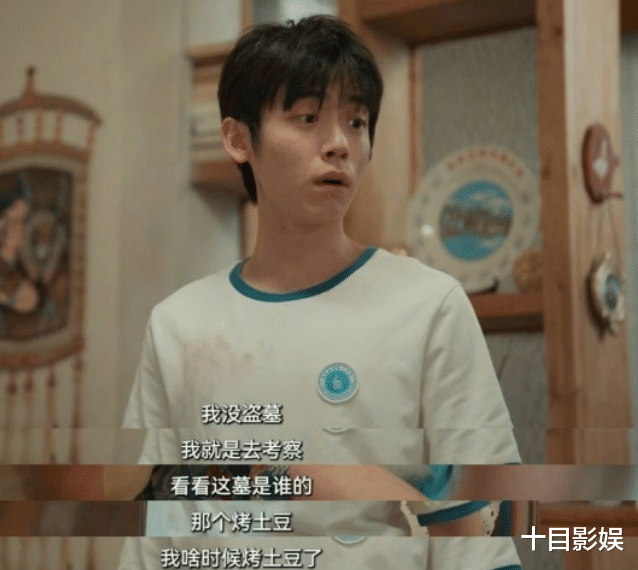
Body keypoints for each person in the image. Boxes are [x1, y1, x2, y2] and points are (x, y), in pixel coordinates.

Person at [118, 15, 522, 569]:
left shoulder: (428, 305)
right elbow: (158, 526)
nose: (338, 145)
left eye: (356, 122)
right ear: (238, 139)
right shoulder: (178, 324)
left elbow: (480, 530)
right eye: (308, 118)